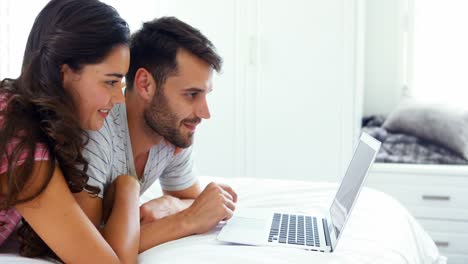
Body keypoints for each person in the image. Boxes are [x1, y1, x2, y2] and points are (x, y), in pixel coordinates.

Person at [76, 16, 238, 252]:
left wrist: (171, 204)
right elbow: (89, 248)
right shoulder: (98, 130)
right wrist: (187, 220)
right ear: (145, 85)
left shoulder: (171, 130)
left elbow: (193, 199)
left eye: (206, 94)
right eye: (192, 94)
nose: (204, 113)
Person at [0, 0, 141, 262]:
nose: (119, 98)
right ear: (62, 72)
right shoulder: (17, 136)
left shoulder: (31, 120)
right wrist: (129, 188)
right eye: (110, 81)